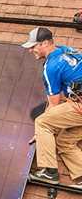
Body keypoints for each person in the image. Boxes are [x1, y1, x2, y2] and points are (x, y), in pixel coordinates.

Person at [22, 27, 82, 188]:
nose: (30, 50)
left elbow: (54, 106)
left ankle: (49, 172)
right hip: (78, 100)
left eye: (33, 46)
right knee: (65, 142)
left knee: (42, 122)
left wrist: (41, 132)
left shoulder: (51, 67)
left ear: (46, 43)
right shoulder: (67, 50)